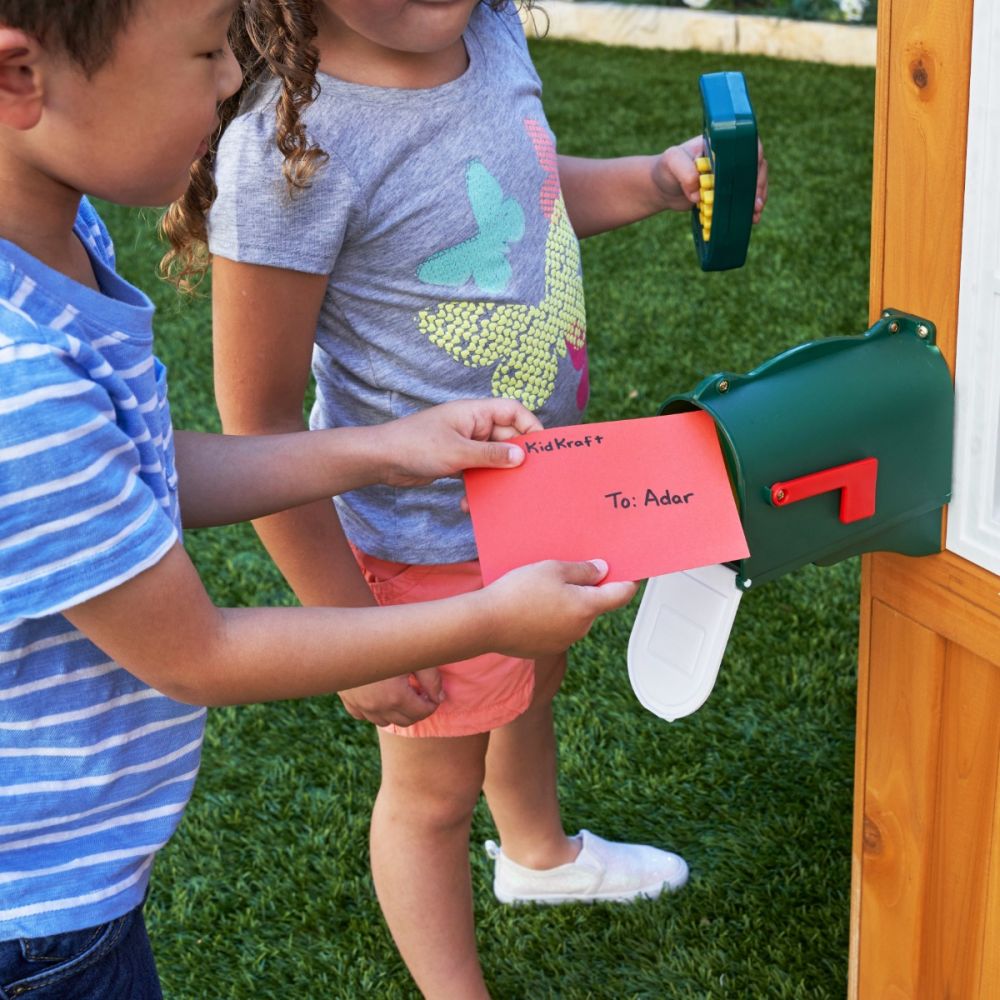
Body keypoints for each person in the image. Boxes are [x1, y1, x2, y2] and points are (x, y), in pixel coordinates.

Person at [0, 3, 640, 997]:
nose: (232, 80)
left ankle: (538, 850)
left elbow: (132, 467)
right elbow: (197, 653)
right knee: (431, 788)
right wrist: (473, 619)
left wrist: (379, 448)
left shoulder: (52, 239)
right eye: (206, 53)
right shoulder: (24, 381)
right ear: (19, 78)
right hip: (45, 924)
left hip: (73, 885)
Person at [165, 1, 769, 996]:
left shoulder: (489, 30)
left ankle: (538, 855)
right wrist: (352, 632)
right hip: (422, 540)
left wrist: (654, 181)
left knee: (529, 682)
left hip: (547, 486)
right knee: (433, 793)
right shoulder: (287, 150)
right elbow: (258, 423)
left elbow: (522, 195)